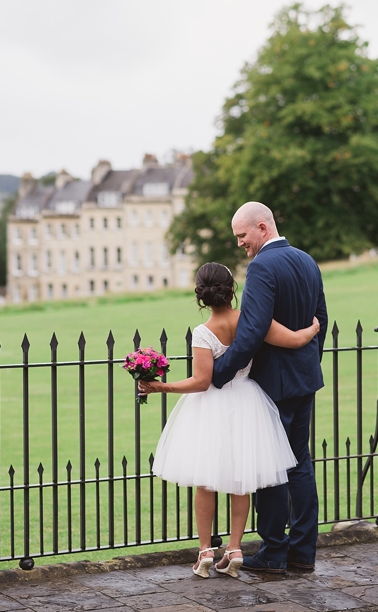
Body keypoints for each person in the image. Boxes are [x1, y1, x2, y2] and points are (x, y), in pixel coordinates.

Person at [139, 262, 319, 578]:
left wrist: (159, 386)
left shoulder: (202, 333)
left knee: (206, 481)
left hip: (210, 408)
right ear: (231, 289)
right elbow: (292, 340)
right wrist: (313, 329)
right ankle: (235, 548)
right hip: (249, 402)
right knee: (242, 477)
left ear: (201, 297)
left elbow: (201, 381)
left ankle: (206, 550)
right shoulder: (251, 320)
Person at [211, 202, 329, 574]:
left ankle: (275, 552)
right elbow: (321, 319)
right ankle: (303, 553)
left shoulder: (262, 266)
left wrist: (219, 372)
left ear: (262, 227)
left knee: (272, 465)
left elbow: (251, 331)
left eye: (242, 236)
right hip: (304, 380)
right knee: (299, 463)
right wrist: (308, 362)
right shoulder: (307, 260)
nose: (241, 244)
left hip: (272, 385)